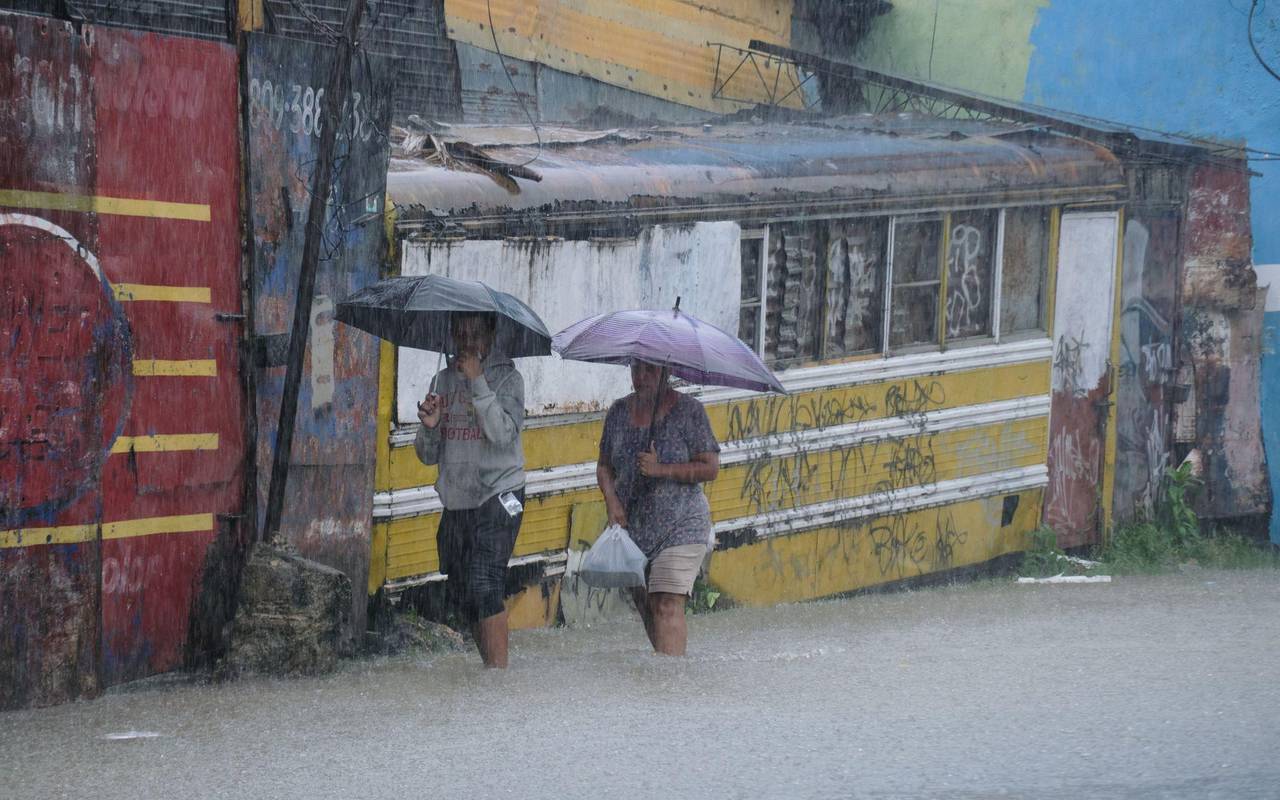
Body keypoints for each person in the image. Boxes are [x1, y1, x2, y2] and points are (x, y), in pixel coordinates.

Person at [415, 312, 526, 668]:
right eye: (461, 334)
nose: (468, 343)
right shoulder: (442, 380)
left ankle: (498, 678)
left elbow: (502, 434)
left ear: (491, 335)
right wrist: (430, 426)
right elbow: (427, 455)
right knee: (464, 592)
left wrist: (478, 382)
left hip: (500, 493)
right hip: (459, 498)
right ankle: (490, 671)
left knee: (484, 583)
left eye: (476, 334)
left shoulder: (508, 378)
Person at [596, 360, 721, 656]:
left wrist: (661, 469)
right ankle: (667, 668)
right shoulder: (618, 413)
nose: (641, 377)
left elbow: (710, 467)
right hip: (633, 528)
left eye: (650, 370)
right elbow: (604, 466)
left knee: (666, 603)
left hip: (681, 525)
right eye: (636, 368)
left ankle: (671, 679)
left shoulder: (689, 412)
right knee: (648, 607)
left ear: (667, 371)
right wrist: (611, 501)